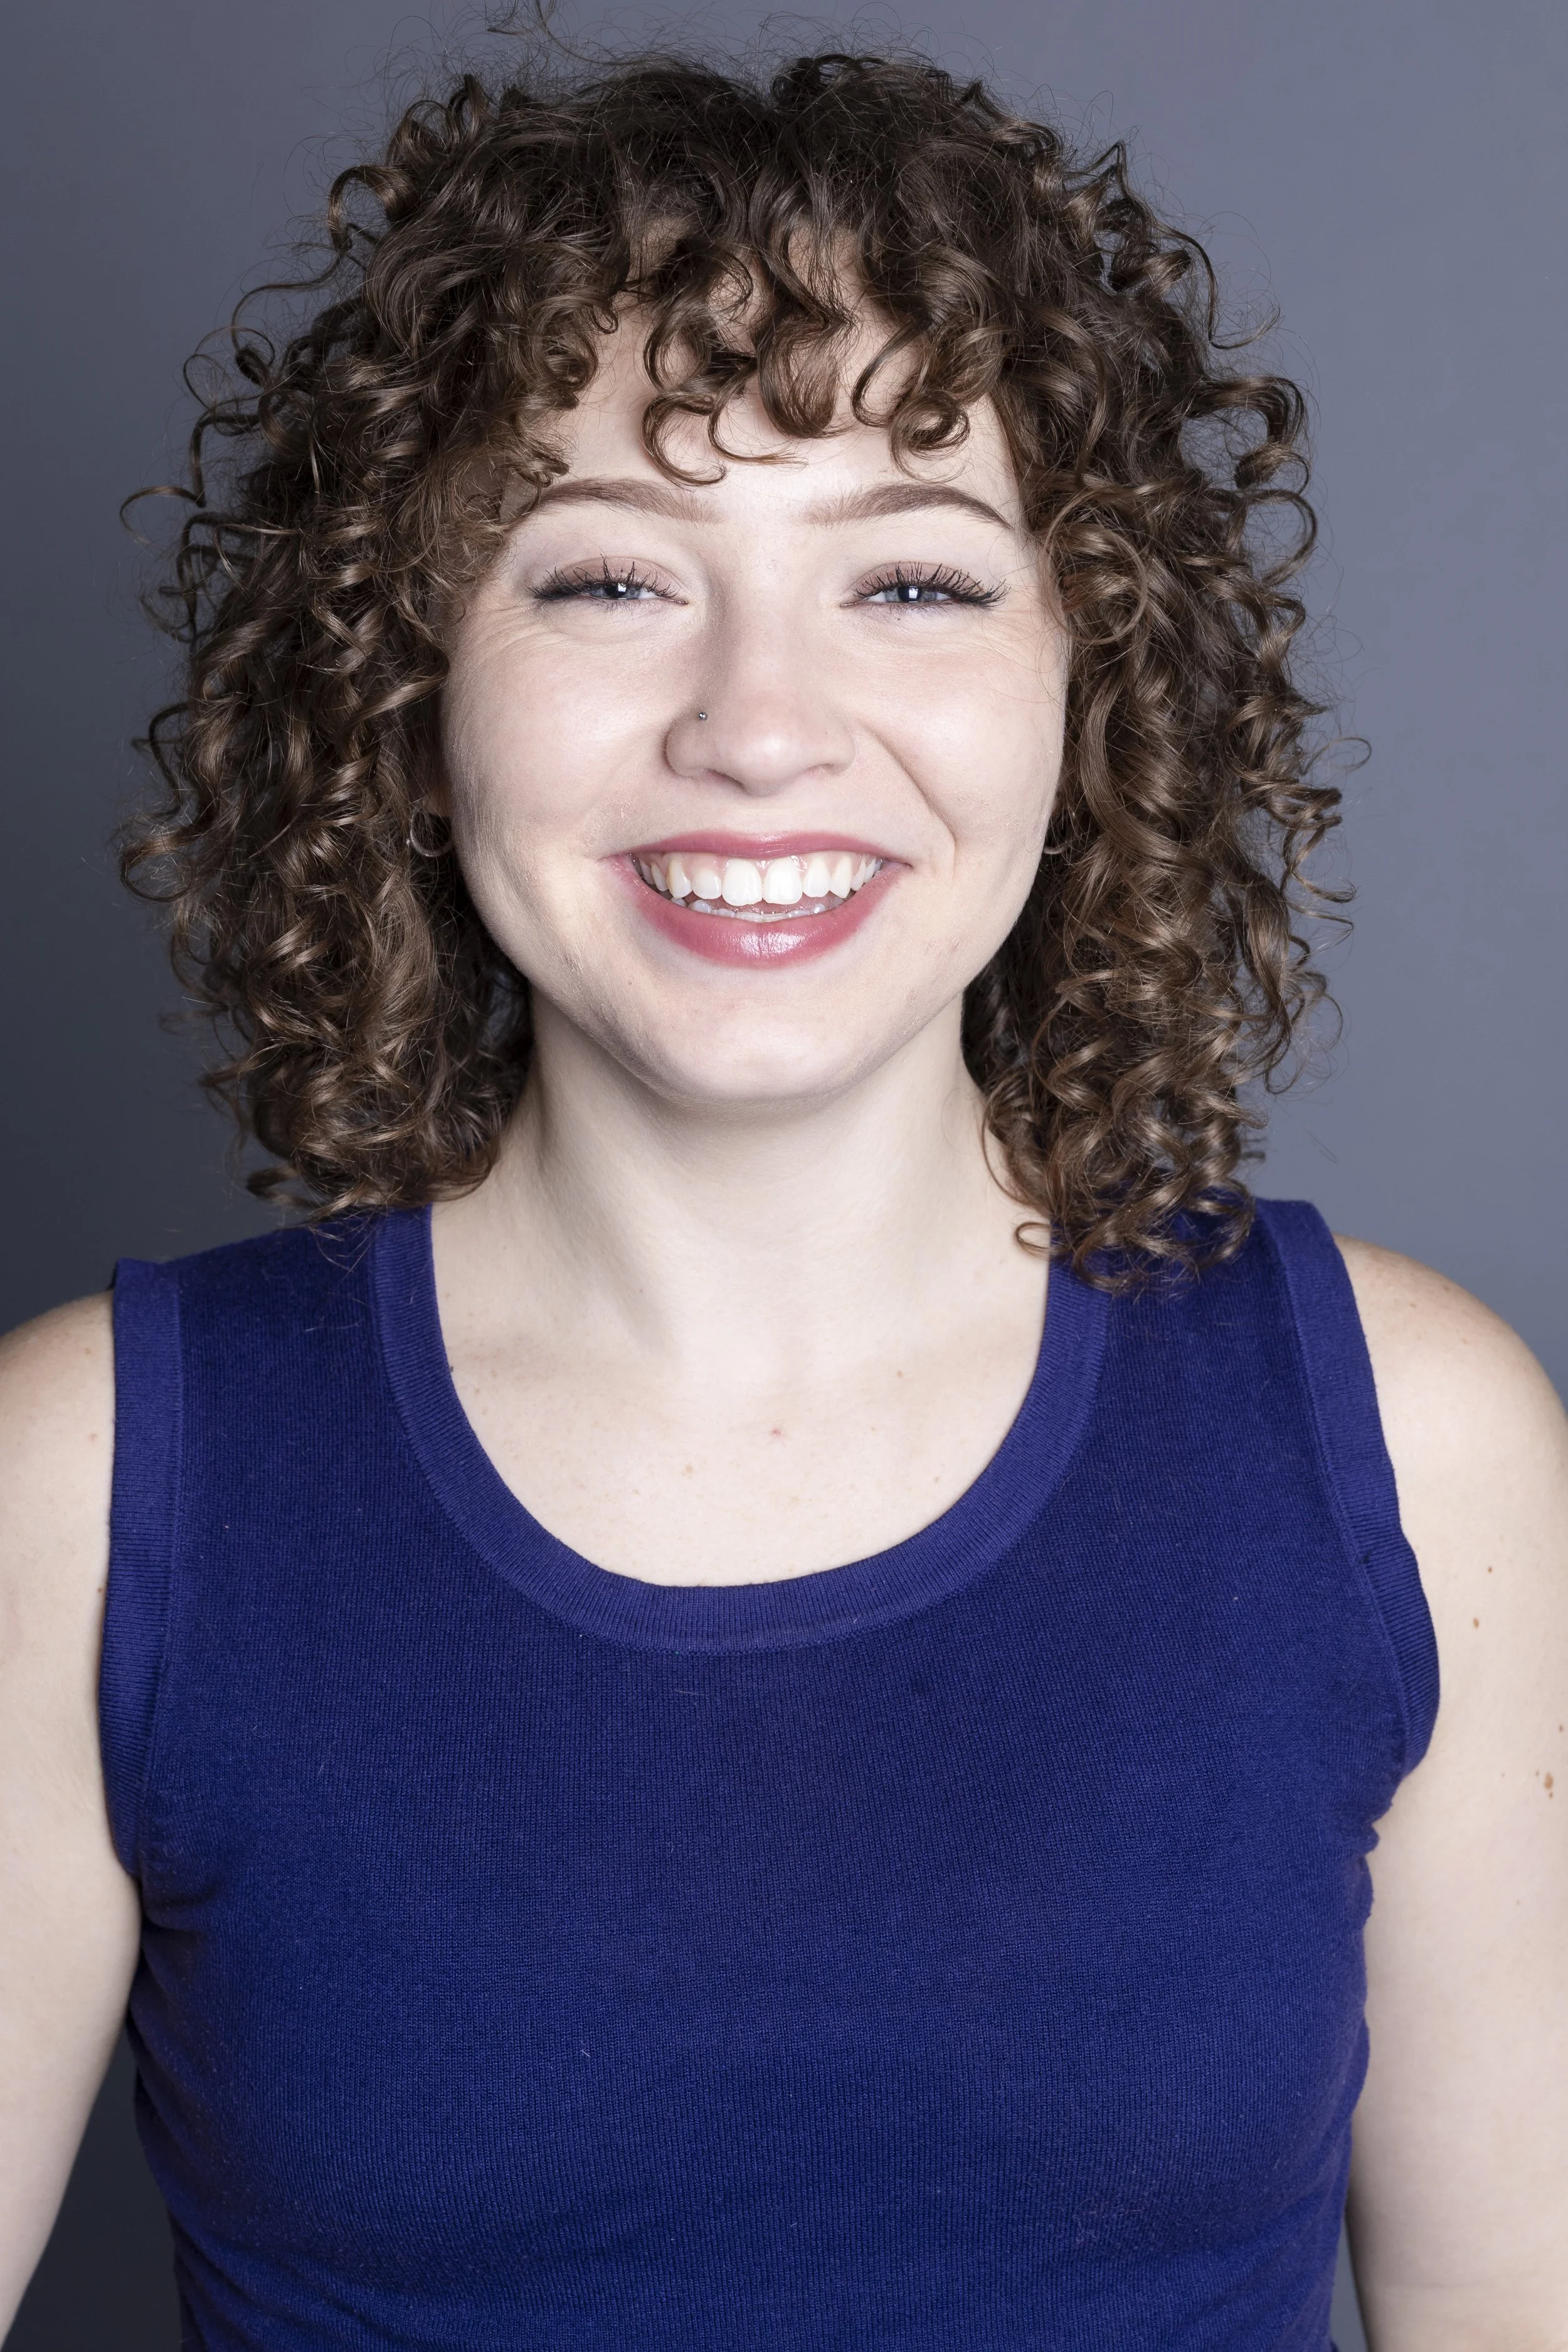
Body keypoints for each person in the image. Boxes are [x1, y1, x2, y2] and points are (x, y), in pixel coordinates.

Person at [1, 45, 1564, 2351]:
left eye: (912, 581)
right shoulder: (86, 1478)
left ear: (1084, 688)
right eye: (612, 574)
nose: (759, 721)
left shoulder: (1408, 1443)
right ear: (413, 688)